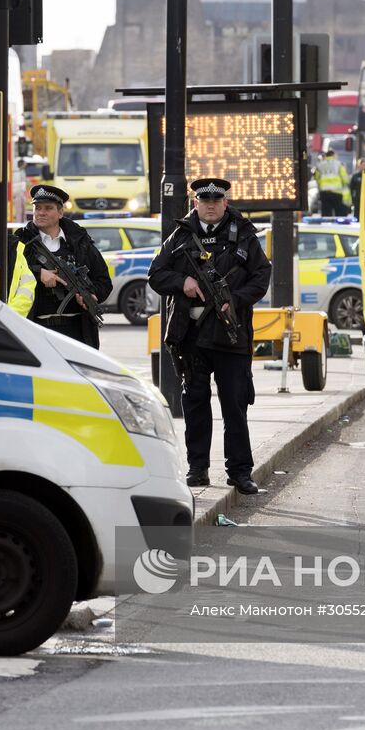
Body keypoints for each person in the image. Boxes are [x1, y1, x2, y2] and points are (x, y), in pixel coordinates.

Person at [147, 178, 272, 495]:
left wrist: (237, 299)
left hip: (231, 335)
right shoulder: (181, 236)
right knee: (196, 407)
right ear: (196, 203)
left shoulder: (244, 235)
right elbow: (156, 275)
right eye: (205, 200)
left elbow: (261, 276)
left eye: (217, 199)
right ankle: (197, 469)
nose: (211, 205)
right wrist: (183, 281)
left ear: (225, 203)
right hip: (191, 336)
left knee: (235, 407)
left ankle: (240, 472)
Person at [20, 184, 111, 348]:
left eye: (48, 208)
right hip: (34, 328)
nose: (41, 212)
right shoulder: (22, 241)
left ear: (60, 212)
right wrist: (38, 273)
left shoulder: (80, 242)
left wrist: (91, 294)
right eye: (37, 208)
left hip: (76, 329)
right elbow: (6, 273)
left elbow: (103, 281)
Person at [314, 146, 350, 216]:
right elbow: (345, 178)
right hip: (337, 192)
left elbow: (317, 178)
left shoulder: (320, 165)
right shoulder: (339, 164)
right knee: (339, 212)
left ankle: (326, 225)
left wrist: (321, 185)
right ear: (333, 155)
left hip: (324, 192)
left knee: (326, 212)